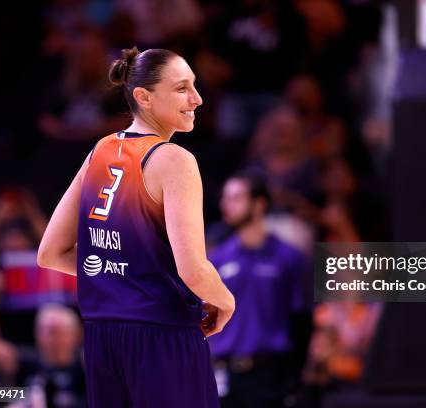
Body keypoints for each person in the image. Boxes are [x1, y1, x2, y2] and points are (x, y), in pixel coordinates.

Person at [38, 47, 235, 408]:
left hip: (101, 338)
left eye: (194, 85)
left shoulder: (100, 149)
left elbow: (51, 252)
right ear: (144, 97)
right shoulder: (174, 159)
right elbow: (193, 270)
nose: (198, 98)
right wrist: (226, 302)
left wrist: (118, 279)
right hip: (162, 333)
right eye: (181, 88)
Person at [208, 170, 312, 408]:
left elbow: (302, 321)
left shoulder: (289, 258)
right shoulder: (217, 260)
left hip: (270, 375)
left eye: (236, 198)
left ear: (259, 204)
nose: (226, 205)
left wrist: (293, 376)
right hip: (225, 374)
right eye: (225, 198)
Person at [0, 269, 86, 407]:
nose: (51, 339)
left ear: (74, 336)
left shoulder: (85, 366)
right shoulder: (29, 363)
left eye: (55, 331)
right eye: (44, 330)